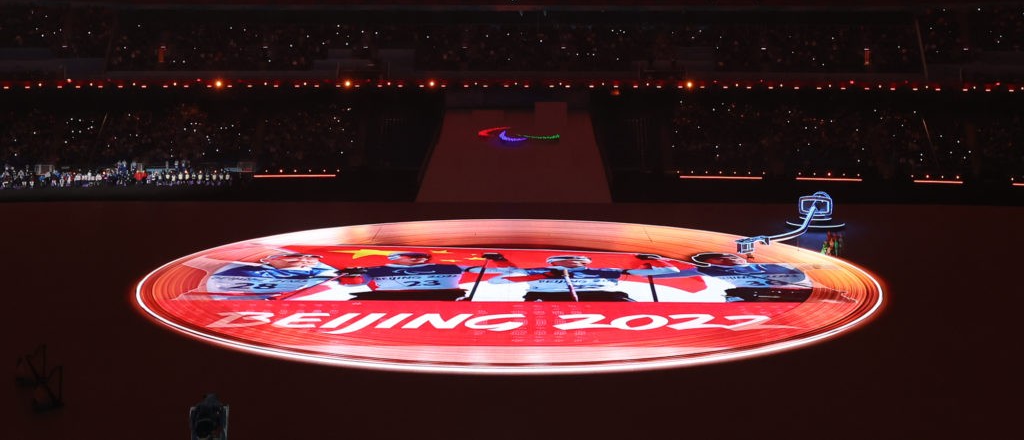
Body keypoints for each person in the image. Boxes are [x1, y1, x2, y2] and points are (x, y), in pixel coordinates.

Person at [488, 253, 686, 302]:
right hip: (547, 298)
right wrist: (543, 275)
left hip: (604, 298)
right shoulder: (535, 272)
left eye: (578, 259)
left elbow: (670, 272)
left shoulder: (605, 271)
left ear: (587, 262)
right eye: (564, 259)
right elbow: (495, 281)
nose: (572, 261)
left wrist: (655, 259)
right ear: (552, 263)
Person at [341, 250, 509, 301]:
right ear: (394, 257)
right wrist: (349, 275)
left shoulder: (449, 266)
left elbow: (482, 270)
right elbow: (357, 282)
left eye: (422, 256)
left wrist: (500, 264)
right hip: (390, 298)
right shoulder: (375, 269)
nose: (419, 258)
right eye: (412, 256)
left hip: (443, 297)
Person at [196, 252, 341, 300]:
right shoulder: (233, 267)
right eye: (294, 256)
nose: (303, 259)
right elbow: (193, 262)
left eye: (311, 257)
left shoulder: (325, 275)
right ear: (267, 259)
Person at [689, 252, 814, 302]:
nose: (728, 259)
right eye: (720, 259)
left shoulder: (775, 267)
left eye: (731, 256)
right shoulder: (704, 273)